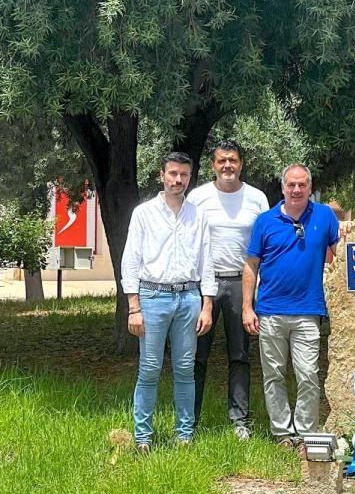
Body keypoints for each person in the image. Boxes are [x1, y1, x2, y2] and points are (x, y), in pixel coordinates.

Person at [122, 151, 215, 453]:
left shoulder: (198, 215)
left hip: (188, 298)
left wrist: (207, 305)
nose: (178, 180)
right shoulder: (143, 213)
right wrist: (134, 307)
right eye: (173, 174)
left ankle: (184, 435)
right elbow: (131, 261)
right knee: (149, 369)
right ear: (161, 175)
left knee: (185, 369)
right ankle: (142, 438)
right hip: (152, 297)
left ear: (190, 177)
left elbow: (207, 261)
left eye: (184, 175)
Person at [242, 163, 339, 446]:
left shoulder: (324, 216)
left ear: (310, 187)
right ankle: (283, 433)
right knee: (274, 376)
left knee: (308, 374)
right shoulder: (265, 221)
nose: (296, 190)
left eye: (302, 185)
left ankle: (307, 432)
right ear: (282, 187)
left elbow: (341, 256)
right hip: (270, 312)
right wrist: (248, 307)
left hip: (309, 311)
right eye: (291, 185)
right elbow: (251, 266)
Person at [187, 141, 269, 440]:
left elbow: (266, 243)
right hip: (202, 285)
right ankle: (189, 421)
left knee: (240, 355)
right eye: (221, 161)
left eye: (233, 160)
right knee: (196, 356)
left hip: (240, 284)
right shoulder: (198, 197)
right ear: (213, 165)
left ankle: (240, 421)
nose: (227, 166)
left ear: (241, 164)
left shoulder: (257, 198)